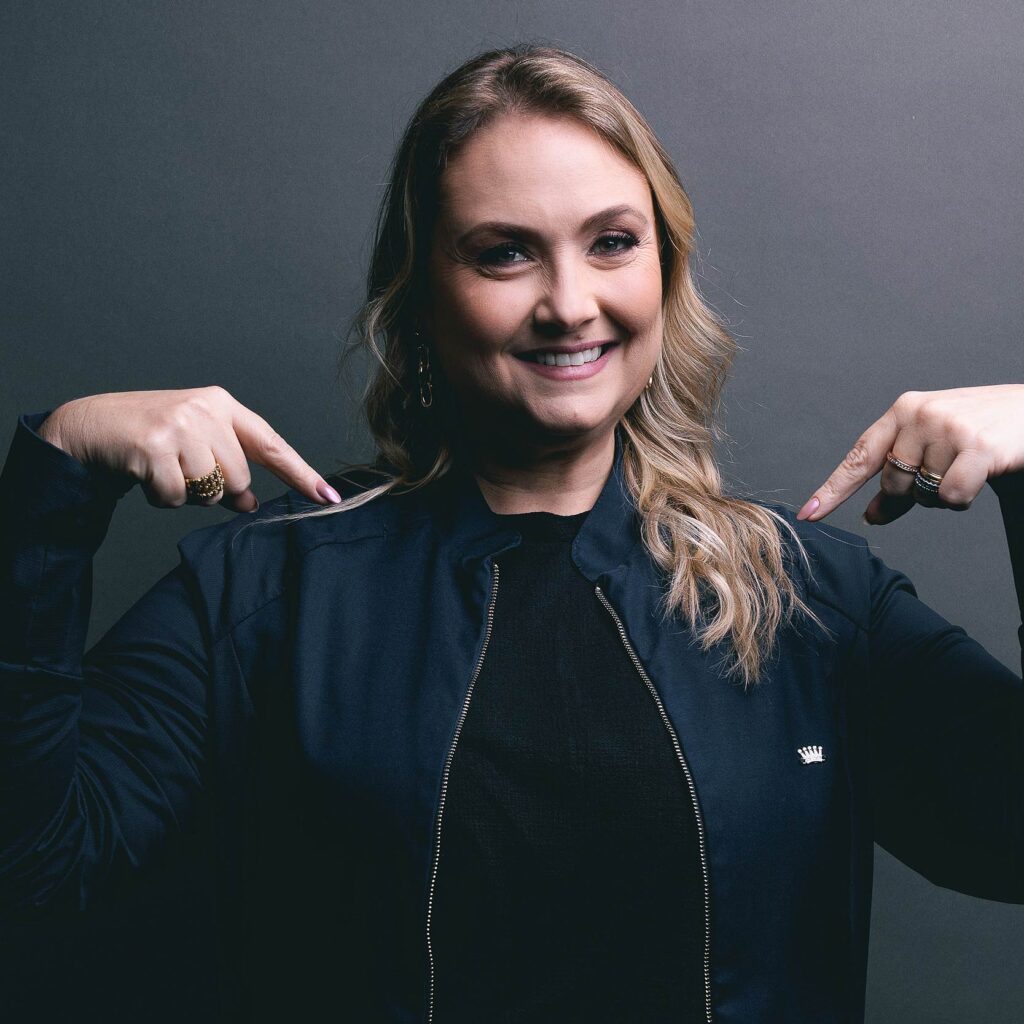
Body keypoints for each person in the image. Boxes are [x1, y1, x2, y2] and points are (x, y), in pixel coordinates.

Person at [1, 43, 1021, 1023]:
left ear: (665, 271)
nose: (569, 305)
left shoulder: (809, 599)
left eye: (612, 242)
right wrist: (58, 474)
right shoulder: (269, 587)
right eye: (504, 254)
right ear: (420, 296)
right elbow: (36, 860)